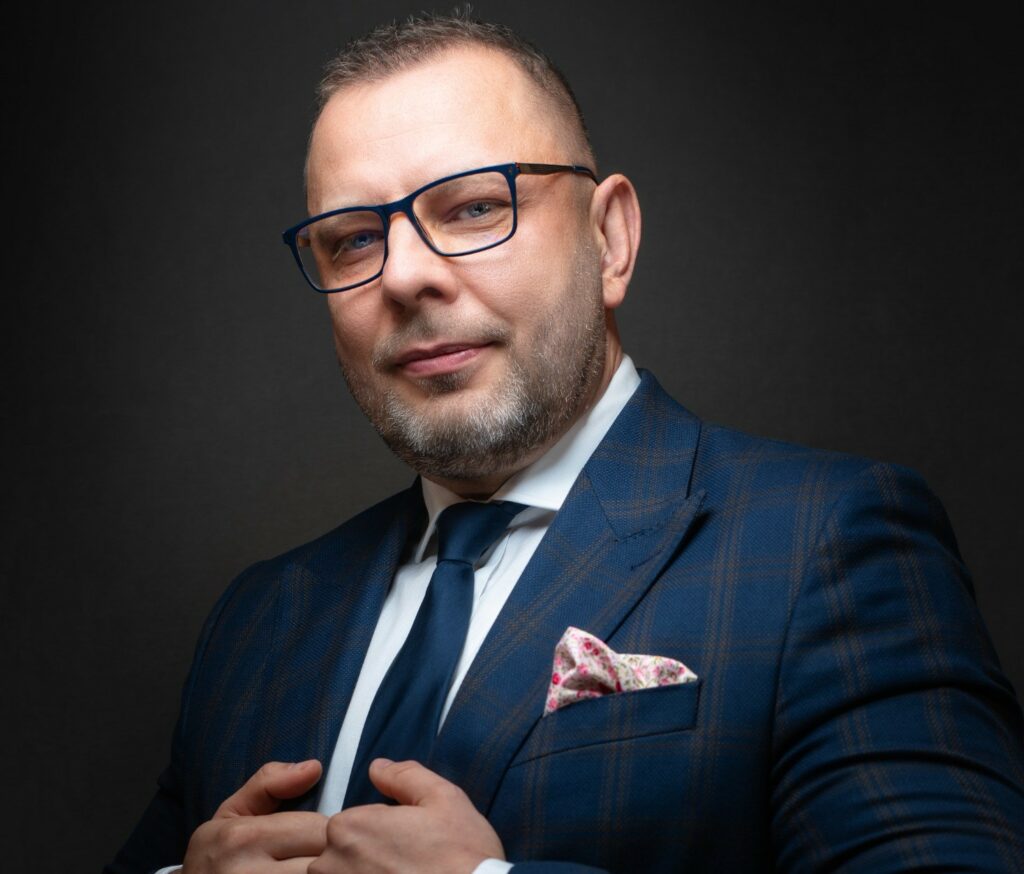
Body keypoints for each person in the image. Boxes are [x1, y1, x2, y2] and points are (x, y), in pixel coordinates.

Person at [108, 12, 1024, 874]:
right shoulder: (260, 620)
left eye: (473, 208)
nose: (406, 277)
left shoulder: (825, 542)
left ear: (609, 239)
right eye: (352, 240)